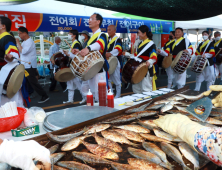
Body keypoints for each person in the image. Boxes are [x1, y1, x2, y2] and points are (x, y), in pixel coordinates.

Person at [72, 13, 109, 102]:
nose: (89, 21)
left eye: (92, 19)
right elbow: (88, 53)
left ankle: (104, 113)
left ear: (98, 21)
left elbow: (99, 44)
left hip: (99, 69)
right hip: (90, 69)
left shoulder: (102, 35)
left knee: (101, 95)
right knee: (91, 92)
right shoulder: (91, 38)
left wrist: (88, 48)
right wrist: (80, 52)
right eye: (89, 19)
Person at [16, 27, 49, 103]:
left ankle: (44, 95)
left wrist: (18, 43)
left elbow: (23, 52)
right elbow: (21, 52)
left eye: (19, 33)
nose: (19, 35)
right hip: (25, 65)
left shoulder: (30, 42)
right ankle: (29, 94)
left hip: (29, 66)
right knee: (27, 81)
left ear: (24, 33)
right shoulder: (24, 42)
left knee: (33, 82)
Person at [124, 25, 157, 93]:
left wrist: (149, 61)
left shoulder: (151, 44)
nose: (138, 34)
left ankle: (147, 103)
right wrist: (127, 54)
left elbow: (153, 56)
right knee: (137, 88)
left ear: (144, 33)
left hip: (145, 68)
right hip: (137, 68)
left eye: (138, 33)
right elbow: (136, 55)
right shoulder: (140, 43)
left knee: (146, 89)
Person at [0, 16, 24, 107]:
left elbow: (14, 55)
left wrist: (10, 57)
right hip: (2, 76)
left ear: (3, 26)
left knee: (10, 106)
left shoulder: (6, 38)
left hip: (5, 77)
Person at [63, 30, 86, 104]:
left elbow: (77, 57)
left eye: (70, 34)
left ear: (74, 35)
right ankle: (70, 99)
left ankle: (85, 97)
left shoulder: (76, 44)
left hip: (76, 66)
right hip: (72, 66)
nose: (69, 35)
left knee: (78, 83)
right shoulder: (74, 43)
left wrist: (68, 54)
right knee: (69, 82)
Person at [106, 25, 122, 98]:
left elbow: (117, 49)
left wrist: (109, 53)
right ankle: (111, 93)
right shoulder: (108, 40)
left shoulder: (117, 40)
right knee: (108, 78)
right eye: (107, 30)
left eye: (109, 30)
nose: (108, 31)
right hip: (108, 61)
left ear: (114, 31)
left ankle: (118, 95)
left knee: (116, 79)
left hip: (115, 61)